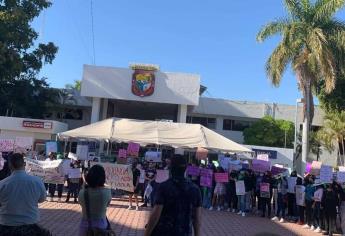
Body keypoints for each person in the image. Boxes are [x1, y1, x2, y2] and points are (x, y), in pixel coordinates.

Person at [144, 155, 201, 236]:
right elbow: (197, 218)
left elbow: (156, 214)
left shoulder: (163, 187)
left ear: (170, 169)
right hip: (184, 232)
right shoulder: (195, 189)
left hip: (164, 232)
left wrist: (147, 234)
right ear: (185, 169)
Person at [0, 153, 50, 236]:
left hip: (7, 224)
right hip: (30, 224)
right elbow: (42, 199)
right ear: (24, 164)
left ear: (10, 166)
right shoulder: (37, 181)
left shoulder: (2, 183)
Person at [78, 165, 112, 236]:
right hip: (101, 225)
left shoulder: (82, 192)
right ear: (103, 177)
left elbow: (81, 203)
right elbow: (107, 204)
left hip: (85, 226)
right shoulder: (107, 192)